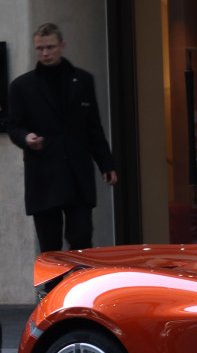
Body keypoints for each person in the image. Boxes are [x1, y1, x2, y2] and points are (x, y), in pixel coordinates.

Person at [6, 23, 117, 252]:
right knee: (50, 249)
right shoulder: (22, 86)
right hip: (44, 176)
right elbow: (12, 125)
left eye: (50, 47)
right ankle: (53, 289)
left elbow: (93, 127)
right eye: (40, 48)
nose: (45, 53)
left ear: (62, 46)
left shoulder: (83, 81)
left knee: (82, 242)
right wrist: (26, 138)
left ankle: (79, 287)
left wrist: (106, 163)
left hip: (77, 174)